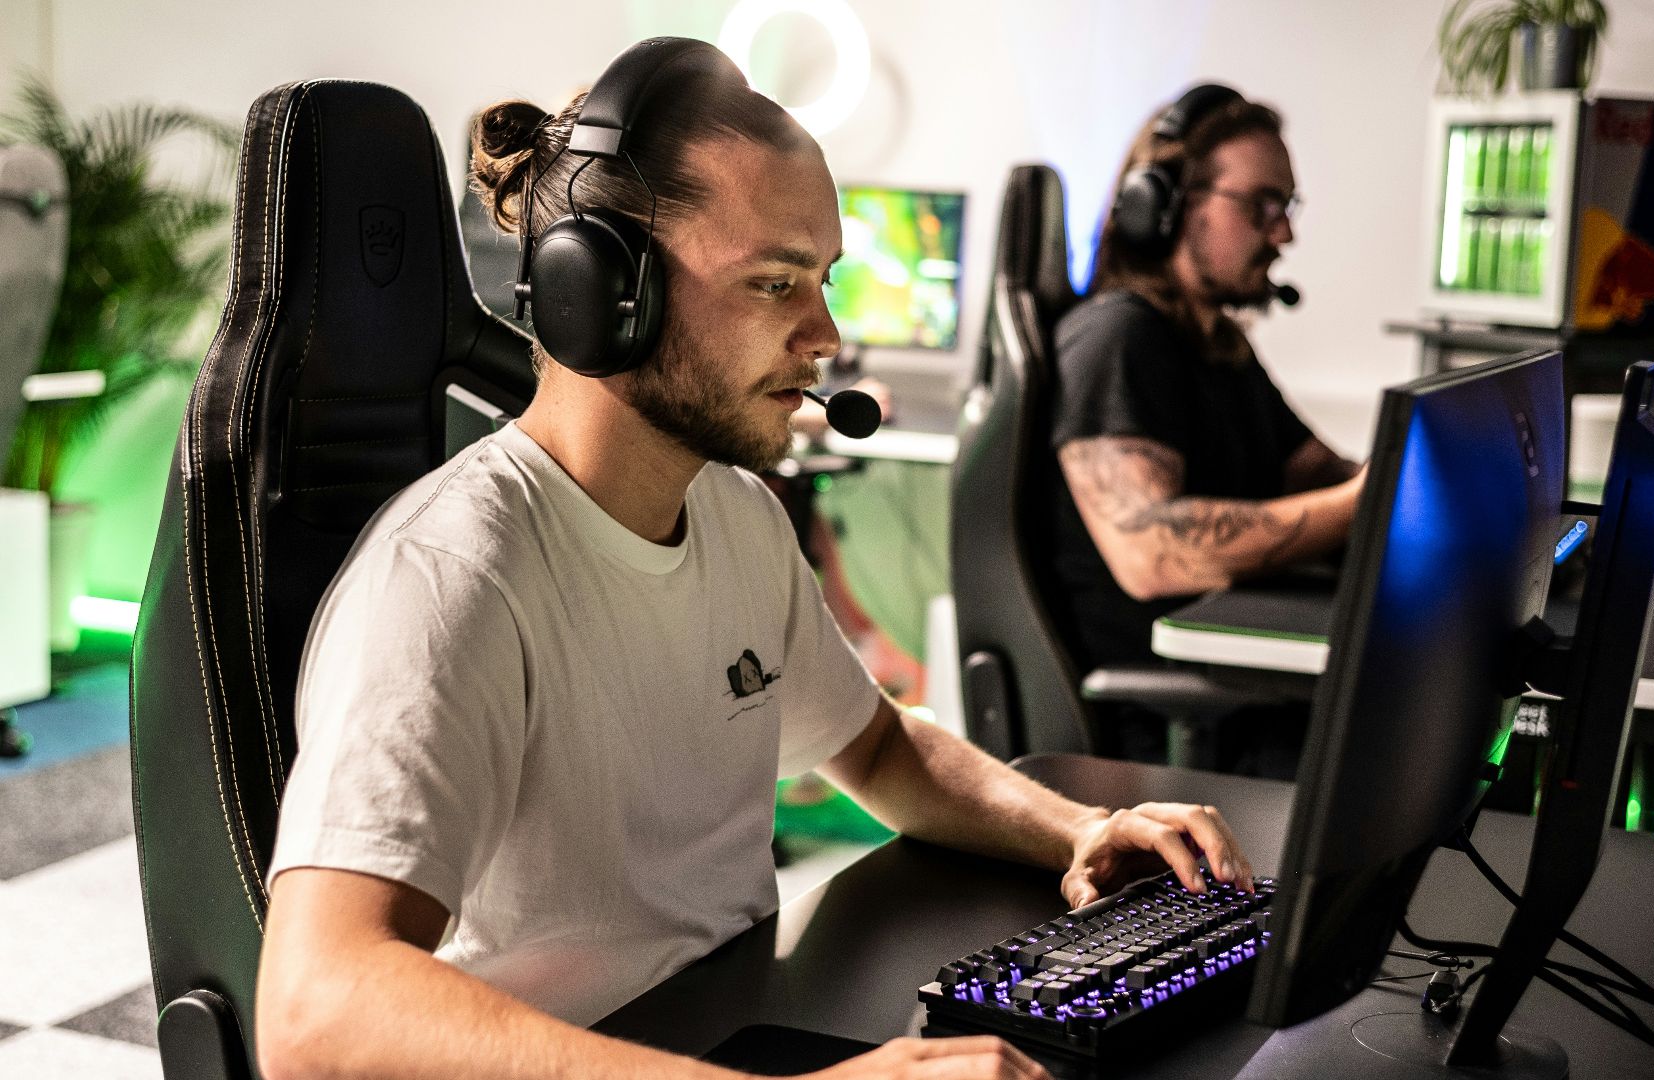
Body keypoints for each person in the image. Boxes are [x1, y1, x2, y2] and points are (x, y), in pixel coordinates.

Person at [254, 41, 1254, 1080]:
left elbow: (879, 751)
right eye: (776, 283)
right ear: (600, 295)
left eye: (822, 281)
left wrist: (1079, 829)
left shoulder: (734, 515)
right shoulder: (454, 576)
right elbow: (315, 1009)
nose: (825, 335)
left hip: (726, 1030)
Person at [1045, 84, 1366, 767]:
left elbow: (1313, 471)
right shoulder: (1118, 339)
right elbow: (1151, 553)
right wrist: (1368, 501)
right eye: (1262, 206)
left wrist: (1431, 480)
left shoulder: (1217, 345)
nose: (1284, 233)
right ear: (1161, 205)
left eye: (1286, 207)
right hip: (1176, 726)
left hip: (1240, 692)